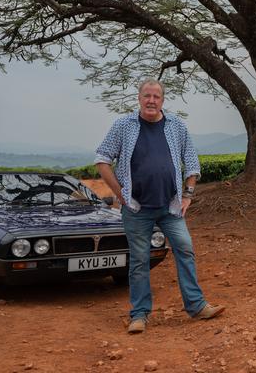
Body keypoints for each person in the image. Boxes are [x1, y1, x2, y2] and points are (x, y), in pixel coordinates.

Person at [95, 78, 224, 333]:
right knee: (140, 261)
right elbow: (102, 160)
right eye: (147, 96)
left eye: (156, 96)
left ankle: (196, 305)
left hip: (171, 207)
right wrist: (121, 194)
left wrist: (187, 195)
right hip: (136, 209)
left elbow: (192, 162)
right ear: (139, 98)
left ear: (162, 100)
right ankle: (139, 315)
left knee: (185, 249)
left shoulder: (176, 125)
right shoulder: (123, 125)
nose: (151, 100)